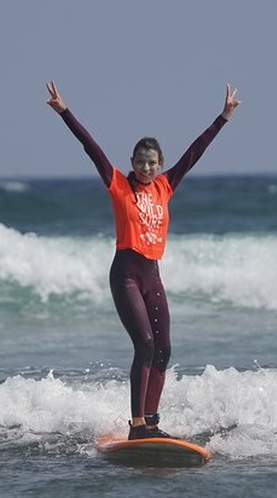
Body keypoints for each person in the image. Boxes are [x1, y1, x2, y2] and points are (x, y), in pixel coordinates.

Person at [46, 80, 240, 439]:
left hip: (153, 275)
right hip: (126, 275)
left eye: (152, 163)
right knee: (145, 345)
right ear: (131, 163)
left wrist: (223, 118)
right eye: (140, 162)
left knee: (164, 348)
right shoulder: (119, 184)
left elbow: (194, 154)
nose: (146, 168)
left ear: (160, 164)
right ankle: (136, 426)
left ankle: (152, 422)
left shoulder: (166, 186)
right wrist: (64, 112)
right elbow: (92, 148)